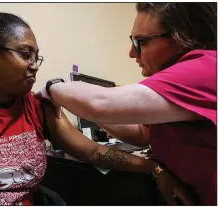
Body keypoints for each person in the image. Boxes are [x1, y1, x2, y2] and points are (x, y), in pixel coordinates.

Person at [0, 12, 182, 205]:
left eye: (37, 57)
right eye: (25, 55)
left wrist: (154, 169)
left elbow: (92, 151)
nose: (34, 65)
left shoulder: (37, 106)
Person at [37, 3, 217, 205]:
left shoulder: (208, 67)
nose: (132, 53)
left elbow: (99, 104)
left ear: (183, 37)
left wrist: (52, 87)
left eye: (141, 42)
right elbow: (141, 134)